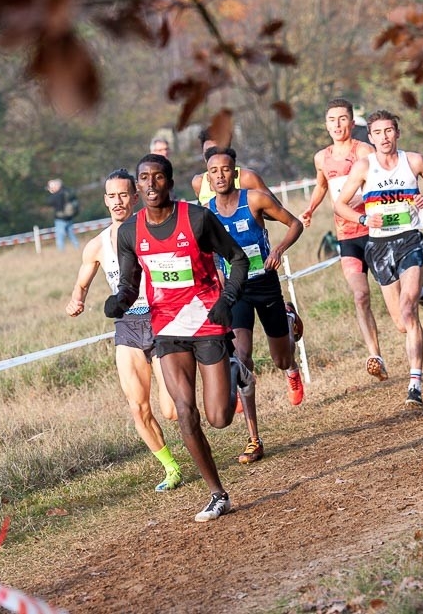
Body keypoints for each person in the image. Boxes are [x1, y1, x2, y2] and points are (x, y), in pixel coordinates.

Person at [104, 154, 252, 523]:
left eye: (158, 178)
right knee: (185, 411)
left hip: (206, 320)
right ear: (138, 185)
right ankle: (217, 494)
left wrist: (227, 299)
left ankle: (236, 368)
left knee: (219, 418)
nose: (151, 184)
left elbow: (238, 258)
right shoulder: (129, 232)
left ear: (170, 183)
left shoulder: (197, 218)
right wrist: (120, 300)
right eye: (144, 178)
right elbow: (129, 282)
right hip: (167, 328)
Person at [65, 168, 183, 493]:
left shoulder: (153, 228)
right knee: (137, 406)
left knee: (172, 410)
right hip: (127, 326)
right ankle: (171, 468)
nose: (118, 202)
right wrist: (77, 300)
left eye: (123, 195)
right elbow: (82, 282)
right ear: (105, 201)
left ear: (134, 197)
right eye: (112, 196)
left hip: (160, 319)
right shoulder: (97, 246)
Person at [333, 110, 423, 407]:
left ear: (397, 133)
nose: (384, 138)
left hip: (410, 239)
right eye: (378, 133)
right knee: (400, 323)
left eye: (389, 131)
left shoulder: (414, 161)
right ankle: (419, 291)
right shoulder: (364, 167)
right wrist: (362, 220)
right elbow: (340, 204)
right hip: (379, 247)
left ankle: (415, 382)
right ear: (370, 138)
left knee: (409, 310)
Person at [207, 147, 307, 463]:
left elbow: (295, 224)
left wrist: (277, 249)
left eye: (226, 169)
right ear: (208, 177)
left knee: (280, 359)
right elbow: (207, 251)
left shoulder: (254, 200)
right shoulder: (207, 213)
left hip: (264, 283)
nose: (220, 175)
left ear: (234, 173)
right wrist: (217, 278)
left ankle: (289, 327)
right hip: (235, 291)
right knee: (242, 357)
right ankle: (254, 439)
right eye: (214, 171)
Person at [300, 98, 390, 382]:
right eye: (332, 120)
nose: (337, 125)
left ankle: (417, 286)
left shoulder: (363, 150)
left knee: (395, 298)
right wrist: (311, 209)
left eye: (342, 119)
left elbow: (383, 175)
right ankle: (375, 355)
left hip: (376, 232)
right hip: (347, 236)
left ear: (352, 123)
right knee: (360, 296)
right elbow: (322, 186)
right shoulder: (321, 158)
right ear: (326, 125)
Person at [191, 129, 278, 208]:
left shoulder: (247, 177)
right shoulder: (198, 182)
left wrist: (248, 206)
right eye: (207, 152)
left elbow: (276, 210)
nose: (212, 156)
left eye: (215, 151)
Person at [46, 178, 80, 251]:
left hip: (60, 219)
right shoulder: (67, 191)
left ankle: (61, 252)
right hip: (69, 217)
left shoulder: (57, 195)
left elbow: (49, 202)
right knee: (72, 235)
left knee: (60, 237)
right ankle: (77, 248)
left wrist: (52, 192)